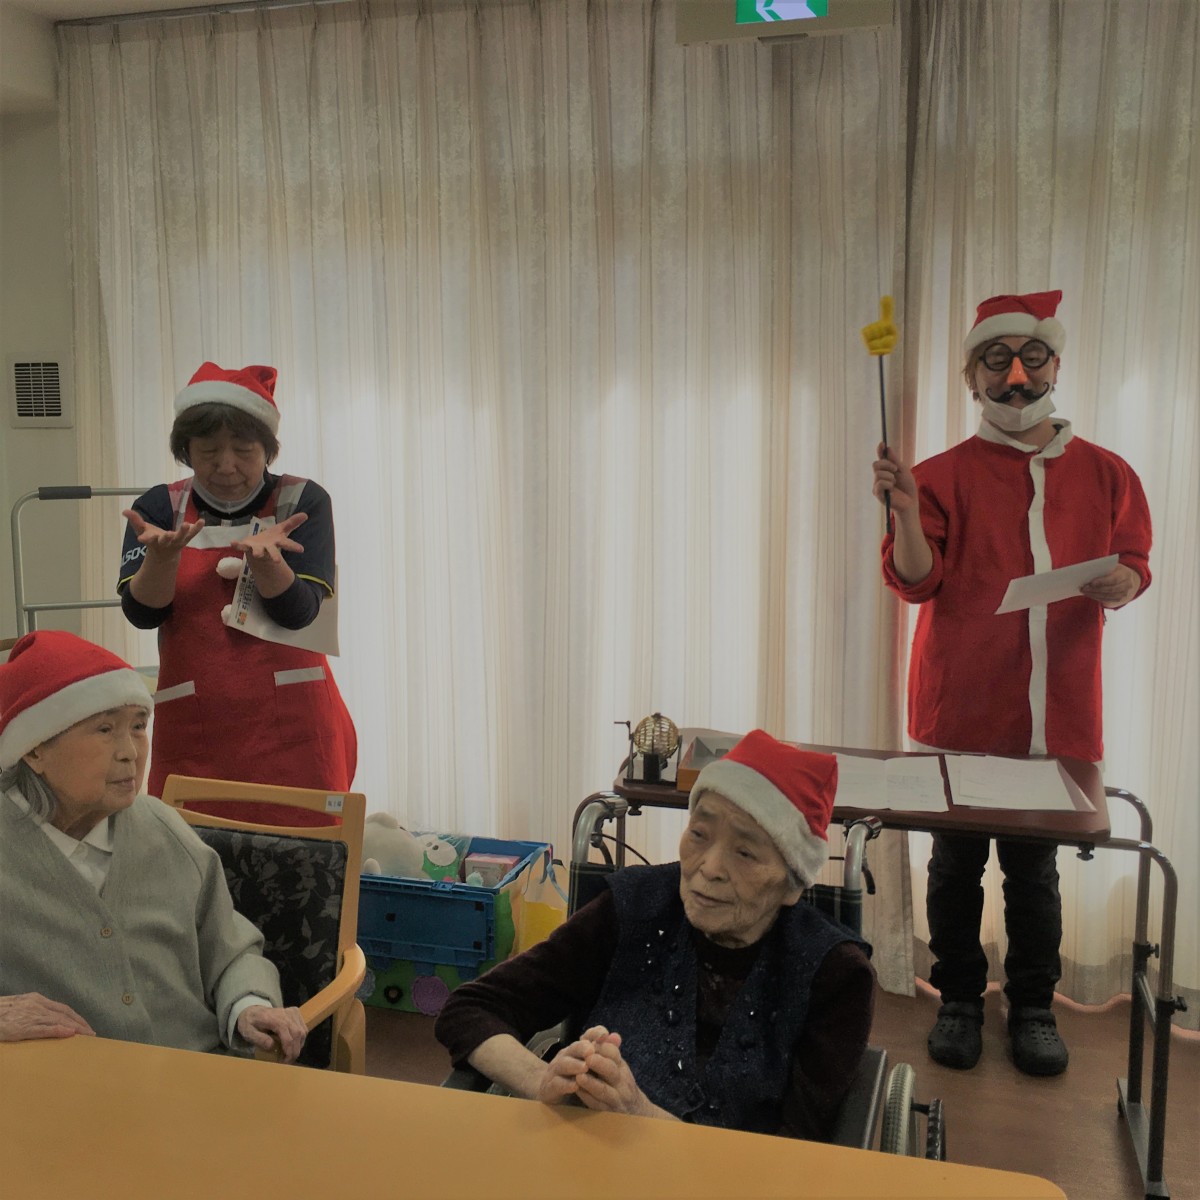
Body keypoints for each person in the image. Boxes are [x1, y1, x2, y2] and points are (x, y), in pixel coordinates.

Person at [870, 290, 1152, 1077]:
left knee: (1034, 873)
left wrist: (1124, 582)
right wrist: (904, 514)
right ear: (973, 377)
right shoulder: (940, 476)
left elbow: (1135, 561)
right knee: (954, 866)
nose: (1016, 377)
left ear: (1055, 365)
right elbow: (917, 580)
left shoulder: (1108, 473)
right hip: (960, 708)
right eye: (996, 361)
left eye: (1031, 359)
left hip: (1055, 713)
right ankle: (959, 999)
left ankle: (1033, 1007)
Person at [435, 730, 875, 1141]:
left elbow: (798, 1156)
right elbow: (473, 1008)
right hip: (584, 1166)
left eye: (745, 852)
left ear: (793, 883)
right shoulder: (633, 908)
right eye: (699, 834)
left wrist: (639, 1117)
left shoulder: (834, 974)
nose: (709, 867)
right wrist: (542, 1081)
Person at [0, 630, 307, 1060]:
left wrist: (249, 1005)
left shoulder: (163, 828)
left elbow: (230, 950)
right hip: (60, 1088)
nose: (130, 752)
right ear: (34, 751)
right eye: (105, 729)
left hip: (192, 1073)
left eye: (139, 727)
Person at [118, 361, 356, 823]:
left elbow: (300, 613)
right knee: (193, 851)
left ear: (267, 449)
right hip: (197, 725)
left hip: (295, 726)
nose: (226, 466)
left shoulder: (302, 501)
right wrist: (162, 560)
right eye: (208, 450)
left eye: (244, 450)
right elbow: (142, 615)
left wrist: (269, 566)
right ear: (186, 450)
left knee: (307, 848)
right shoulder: (160, 508)